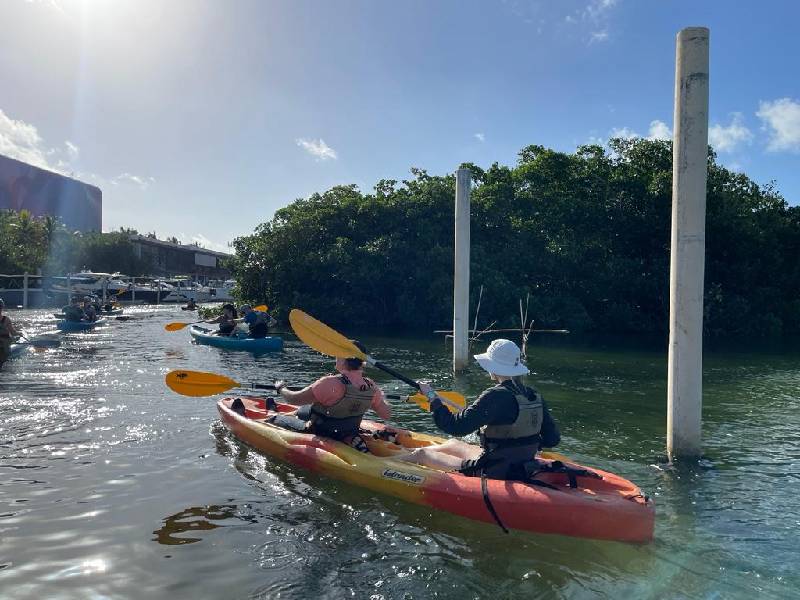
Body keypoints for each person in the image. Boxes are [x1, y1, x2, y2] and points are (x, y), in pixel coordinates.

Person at [397, 339, 560, 481]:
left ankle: (383, 460)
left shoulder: (495, 395)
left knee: (422, 455)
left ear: (494, 367)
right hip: (523, 464)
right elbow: (552, 439)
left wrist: (432, 396)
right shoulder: (534, 395)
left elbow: (454, 426)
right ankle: (403, 450)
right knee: (452, 444)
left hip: (492, 469)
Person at [264, 341, 392, 453]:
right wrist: (381, 396)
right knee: (303, 410)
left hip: (320, 431)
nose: (335, 356)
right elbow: (386, 414)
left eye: (337, 354)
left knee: (275, 419)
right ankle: (349, 437)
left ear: (344, 358)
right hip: (349, 430)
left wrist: (281, 388)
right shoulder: (371, 386)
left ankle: (272, 414)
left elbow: (293, 399)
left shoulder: (330, 382)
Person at [0, 298, 20, 367]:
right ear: (2, 308)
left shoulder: (6, 319)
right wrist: (19, 334)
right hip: (5, 346)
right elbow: (13, 332)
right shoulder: (6, 319)